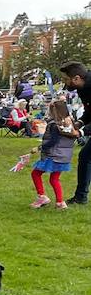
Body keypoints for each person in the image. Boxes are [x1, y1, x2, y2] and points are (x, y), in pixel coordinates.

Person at [29, 98, 80, 210]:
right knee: (54, 179)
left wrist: (39, 148)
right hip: (64, 156)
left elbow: (52, 141)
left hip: (53, 155)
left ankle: (42, 196)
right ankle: (60, 202)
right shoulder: (70, 123)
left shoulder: (54, 125)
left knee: (35, 174)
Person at [62, 62, 91, 205]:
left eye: (66, 79)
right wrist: (79, 123)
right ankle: (80, 197)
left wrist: (81, 131)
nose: (64, 82)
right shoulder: (82, 88)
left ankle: (81, 197)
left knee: (86, 157)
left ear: (77, 78)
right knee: (85, 156)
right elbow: (89, 112)